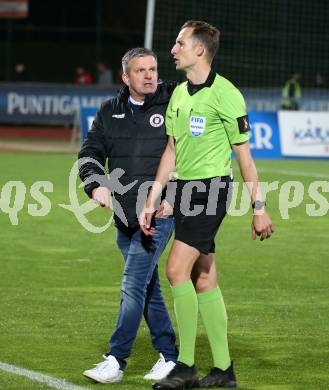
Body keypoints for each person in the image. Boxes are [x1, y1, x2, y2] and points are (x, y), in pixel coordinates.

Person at [140, 20, 274, 389]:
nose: (173, 49)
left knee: (175, 270)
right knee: (203, 277)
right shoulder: (180, 94)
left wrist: (258, 207)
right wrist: (153, 200)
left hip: (211, 191)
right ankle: (223, 370)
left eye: (179, 42)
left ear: (199, 49)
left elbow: (244, 157)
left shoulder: (227, 94)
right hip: (183, 191)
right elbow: (171, 150)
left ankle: (184, 367)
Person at [78, 47, 178, 384]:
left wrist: (173, 198)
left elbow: (190, 155)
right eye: (141, 71)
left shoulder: (174, 103)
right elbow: (90, 153)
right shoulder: (110, 110)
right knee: (149, 288)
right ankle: (170, 355)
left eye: (153, 69)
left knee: (133, 284)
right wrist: (95, 185)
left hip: (159, 213)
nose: (150, 75)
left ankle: (116, 359)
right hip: (124, 216)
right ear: (126, 77)